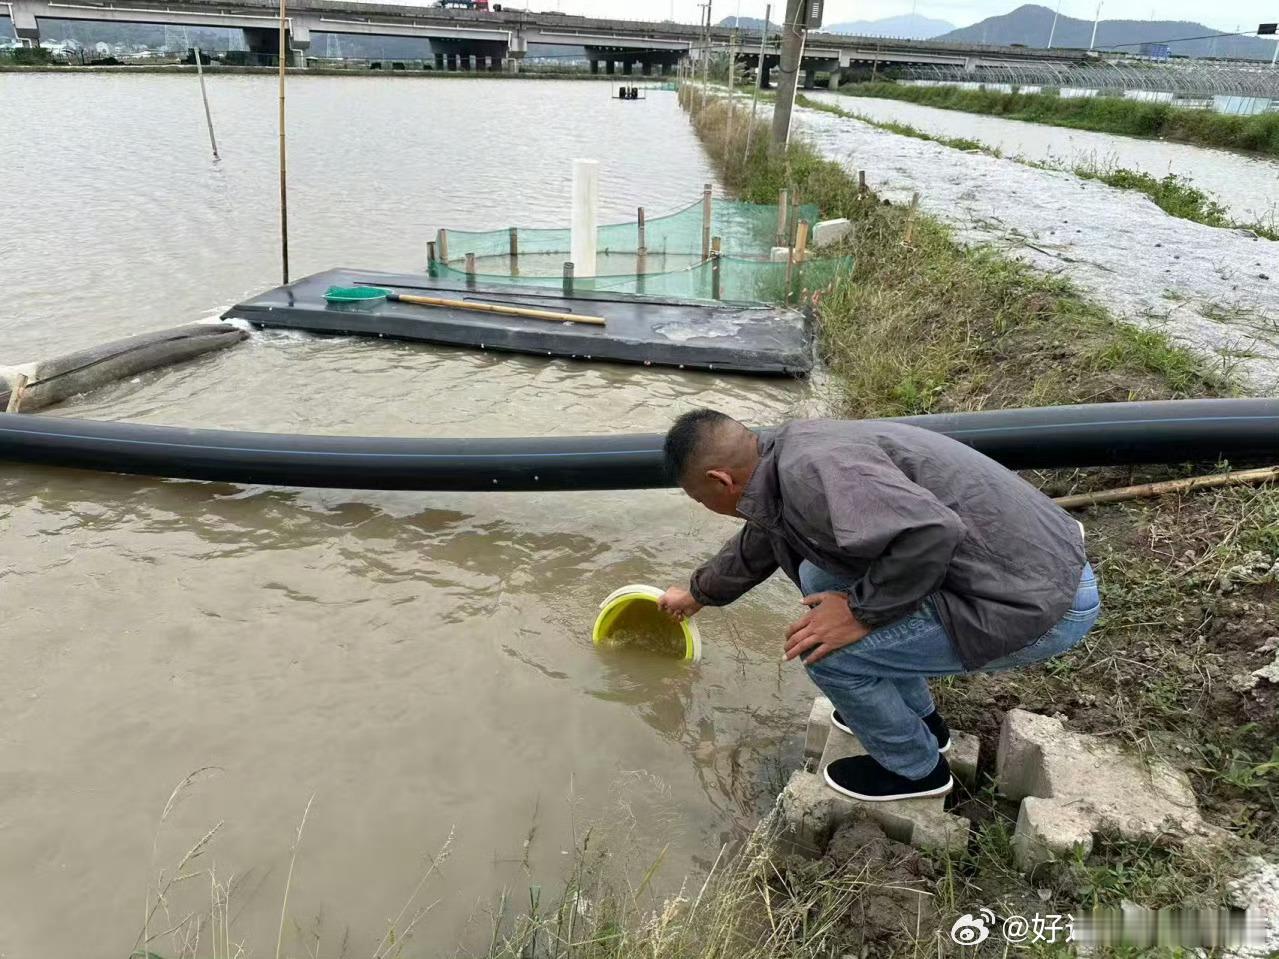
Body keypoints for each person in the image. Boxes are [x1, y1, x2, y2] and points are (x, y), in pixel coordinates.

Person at [657, 409, 1100, 802]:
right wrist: (698, 594)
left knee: (825, 653)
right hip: (1026, 567)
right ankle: (926, 725)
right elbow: (766, 537)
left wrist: (858, 613)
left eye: (700, 500)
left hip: (1036, 601)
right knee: (817, 577)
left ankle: (916, 770)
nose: (707, 507)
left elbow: (931, 532)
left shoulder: (811, 477)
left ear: (720, 481)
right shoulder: (786, 455)